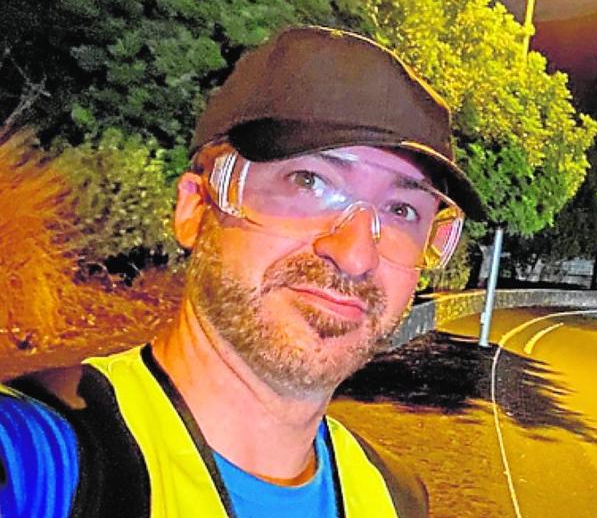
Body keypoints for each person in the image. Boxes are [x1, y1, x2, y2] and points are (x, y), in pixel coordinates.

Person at [0, 26, 486, 518]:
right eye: (309, 182)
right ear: (196, 208)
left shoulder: (393, 496)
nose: (356, 255)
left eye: (402, 211)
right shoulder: (46, 461)